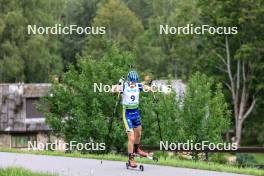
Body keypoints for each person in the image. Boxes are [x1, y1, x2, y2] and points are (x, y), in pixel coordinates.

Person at [113, 71, 153, 168]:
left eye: (134, 82)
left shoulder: (137, 86)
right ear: (128, 80)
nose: (133, 84)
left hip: (136, 114)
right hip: (127, 115)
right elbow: (113, 89)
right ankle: (131, 159)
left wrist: (151, 88)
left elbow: (145, 87)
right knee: (131, 137)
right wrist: (118, 85)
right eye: (131, 82)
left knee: (138, 134)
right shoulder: (124, 86)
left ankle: (137, 149)